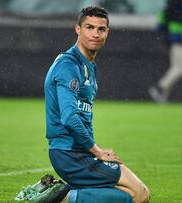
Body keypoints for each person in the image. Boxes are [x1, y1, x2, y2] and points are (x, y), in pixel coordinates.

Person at [44, 6, 150, 203]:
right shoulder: (68, 66)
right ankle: (62, 197)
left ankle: (65, 193)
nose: (95, 33)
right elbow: (69, 117)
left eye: (101, 29)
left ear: (107, 32)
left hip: (79, 152)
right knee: (140, 195)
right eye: (89, 27)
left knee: (131, 194)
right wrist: (97, 151)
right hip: (69, 153)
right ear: (78, 29)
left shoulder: (89, 65)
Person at [149, 0, 182, 103]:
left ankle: (162, 94)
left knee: (176, 66)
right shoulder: (177, 3)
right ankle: (160, 88)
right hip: (175, 36)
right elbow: (170, 14)